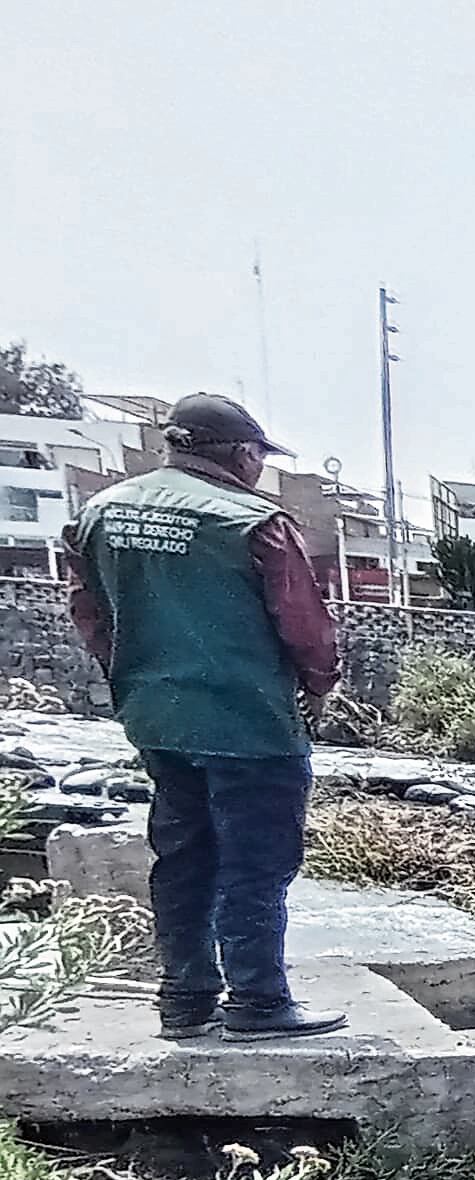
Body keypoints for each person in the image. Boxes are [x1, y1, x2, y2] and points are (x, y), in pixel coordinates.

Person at [65, 394, 346, 1040]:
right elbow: (306, 628)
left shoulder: (98, 516)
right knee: (256, 861)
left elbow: (91, 615)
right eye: (257, 458)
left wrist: (136, 676)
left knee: (182, 855)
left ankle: (185, 1000)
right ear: (243, 455)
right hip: (249, 720)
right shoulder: (255, 523)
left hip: (158, 719)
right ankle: (256, 1002)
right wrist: (319, 687)